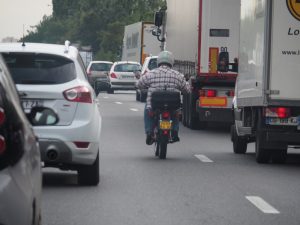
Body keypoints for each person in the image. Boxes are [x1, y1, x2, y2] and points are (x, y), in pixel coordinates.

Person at [136, 50, 191, 145]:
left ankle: (149, 132)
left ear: (159, 61)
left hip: (154, 104)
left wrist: (139, 86)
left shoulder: (151, 73)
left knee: (147, 110)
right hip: (172, 105)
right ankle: (174, 132)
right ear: (171, 62)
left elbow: (139, 84)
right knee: (176, 114)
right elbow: (186, 89)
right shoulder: (177, 75)